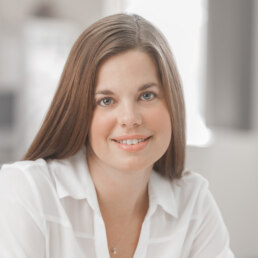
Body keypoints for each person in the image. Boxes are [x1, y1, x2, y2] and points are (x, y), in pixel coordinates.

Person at [0, 13, 234, 258]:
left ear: (172, 102)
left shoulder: (192, 203)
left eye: (146, 95)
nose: (130, 118)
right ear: (80, 112)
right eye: (106, 101)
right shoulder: (25, 193)